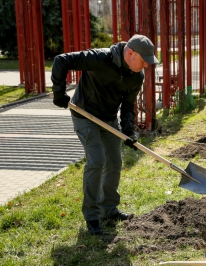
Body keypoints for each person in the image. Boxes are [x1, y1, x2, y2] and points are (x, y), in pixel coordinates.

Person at [51, 34, 159, 235]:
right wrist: (59, 92)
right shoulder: (99, 58)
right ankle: (92, 216)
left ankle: (108, 209)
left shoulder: (137, 76)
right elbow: (61, 60)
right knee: (97, 160)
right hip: (85, 116)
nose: (145, 66)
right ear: (130, 53)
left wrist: (128, 131)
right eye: (143, 61)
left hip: (109, 120)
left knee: (115, 161)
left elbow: (128, 106)